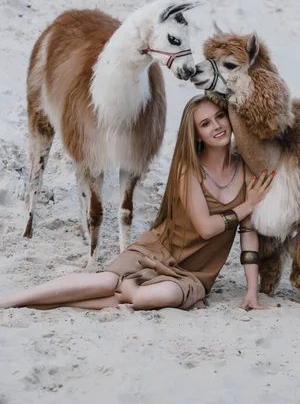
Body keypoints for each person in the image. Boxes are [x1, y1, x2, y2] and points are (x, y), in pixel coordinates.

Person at [0, 95, 275, 311]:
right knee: (107, 280)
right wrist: (247, 206)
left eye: (219, 117)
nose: (216, 126)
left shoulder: (245, 169)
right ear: (196, 135)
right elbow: (205, 228)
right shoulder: (188, 170)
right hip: (156, 250)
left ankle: (118, 293)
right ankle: (15, 300)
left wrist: (251, 290)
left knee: (154, 296)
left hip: (193, 274)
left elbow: (248, 232)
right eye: (205, 123)